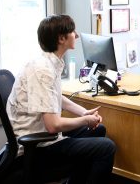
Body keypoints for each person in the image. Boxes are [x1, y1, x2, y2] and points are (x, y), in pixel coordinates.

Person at [6, 14, 116, 183]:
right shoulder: (43, 71)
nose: (77, 35)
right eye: (73, 31)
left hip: (41, 134)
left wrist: (83, 112)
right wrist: (85, 120)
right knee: (106, 148)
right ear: (61, 38)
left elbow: (55, 97)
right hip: (39, 145)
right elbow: (53, 126)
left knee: (99, 130)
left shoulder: (48, 63)